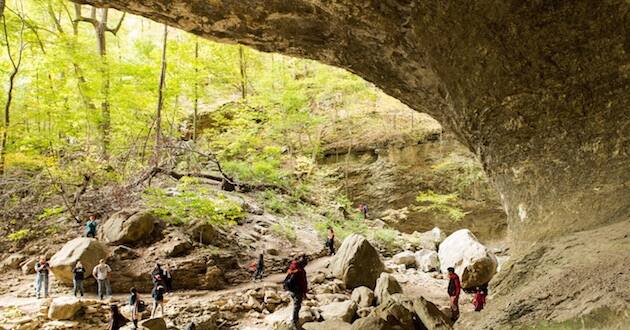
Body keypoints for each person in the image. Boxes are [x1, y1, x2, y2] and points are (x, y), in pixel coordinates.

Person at [284, 255, 308, 329]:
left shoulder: (292, 267)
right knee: (297, 306)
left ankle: (295, 320)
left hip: (291, 289)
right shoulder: (301, 271)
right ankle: (294, 321)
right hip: (297, 290)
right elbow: (303, 283)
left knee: (295, 304)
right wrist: (304, 292)